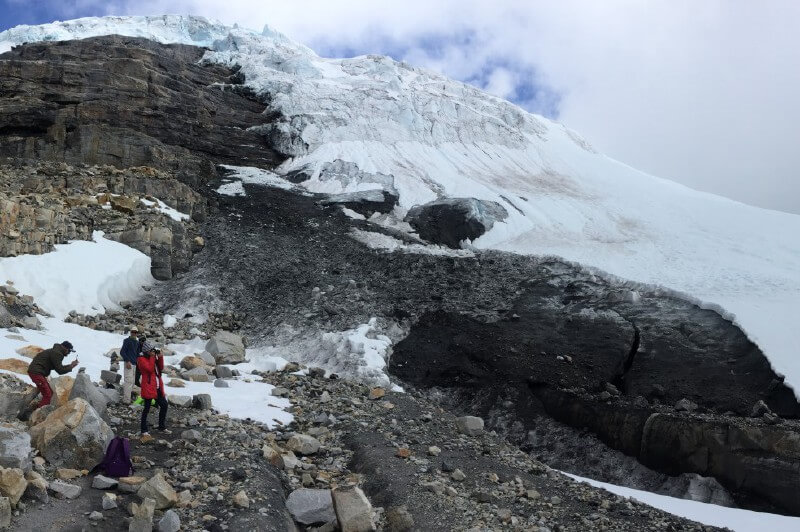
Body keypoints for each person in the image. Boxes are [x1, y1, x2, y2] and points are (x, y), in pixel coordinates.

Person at [27, 341, 78, 408]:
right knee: (48, 395)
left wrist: (70, 366)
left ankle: (36, 407)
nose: (69, 353)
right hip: (37, 373)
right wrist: (71, 366)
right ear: (65, 348)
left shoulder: (55, 351)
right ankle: (38, 413)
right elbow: (60, 370)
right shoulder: (57, 353)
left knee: (49, 392)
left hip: (36, 372)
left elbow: (58, 368)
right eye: (69, 351)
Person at [137, 342, 168, 436]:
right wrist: (153, 357)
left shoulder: (152, 358)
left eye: (153, 350)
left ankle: (161, 427)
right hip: (148, 387)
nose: (153, 352)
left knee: (164, 405)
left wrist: (160, 357)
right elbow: (150, 369)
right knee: (146, 408)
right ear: (147, 351)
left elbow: (161, 368)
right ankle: (143, 430)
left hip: (157, 387)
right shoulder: (141, 359)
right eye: (151, 350)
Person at [120, 326, 140, 403]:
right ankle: (126, 400)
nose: (134, 333)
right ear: (130, 332)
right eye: (133, 332)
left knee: (132, 382)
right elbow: (122, 352)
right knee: (128, 381)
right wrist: (127, 361)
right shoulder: (127, 340)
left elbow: (138, 354)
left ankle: (128, 398)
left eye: (135, 332)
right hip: (128, 363)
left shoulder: (137, 342)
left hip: (135, 364)